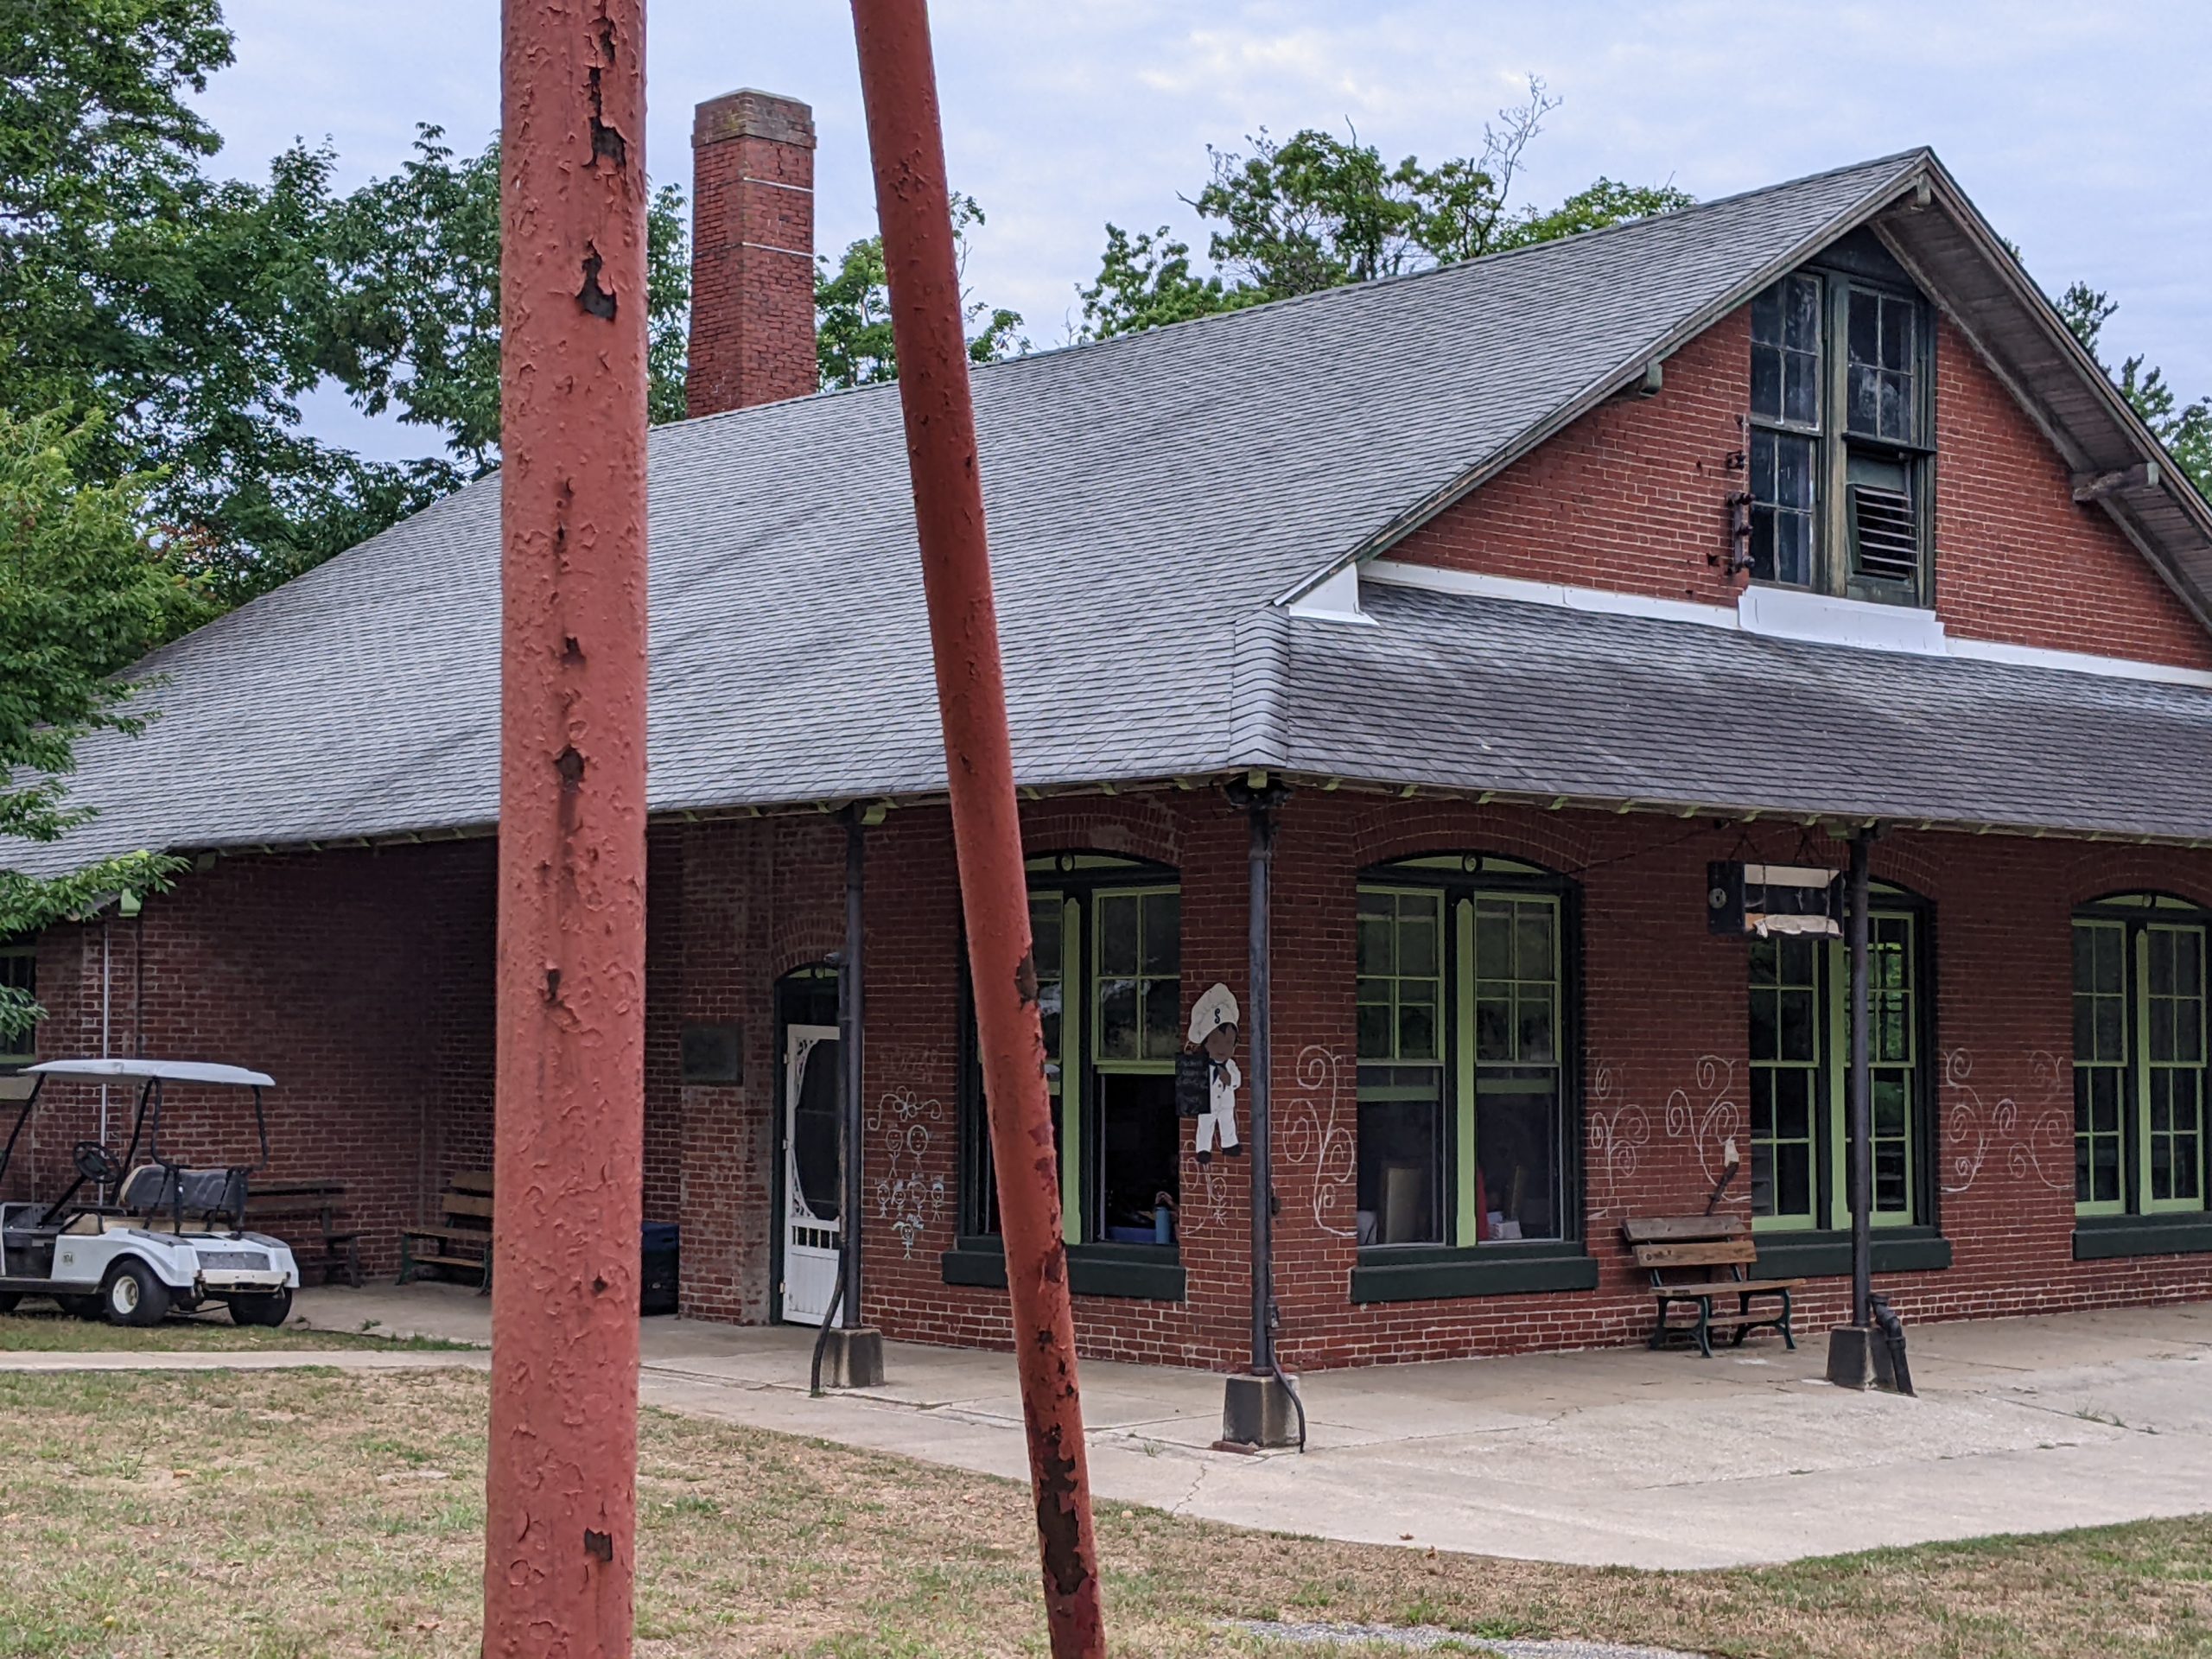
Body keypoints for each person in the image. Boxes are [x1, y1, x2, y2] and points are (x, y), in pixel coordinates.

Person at [1185, 982, 1244, 1166]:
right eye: (1216, 1042)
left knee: (1228, 1121)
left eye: (1228, 1043)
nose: (1222, 1049)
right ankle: (1203, 1149)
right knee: (1205, 1125)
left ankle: (1230, 1143)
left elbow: (1237, 1080)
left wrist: (1230, 1079)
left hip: (1226, 1102)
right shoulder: (1202, 1065)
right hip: (1207, 1103)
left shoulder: (1230, 1064)